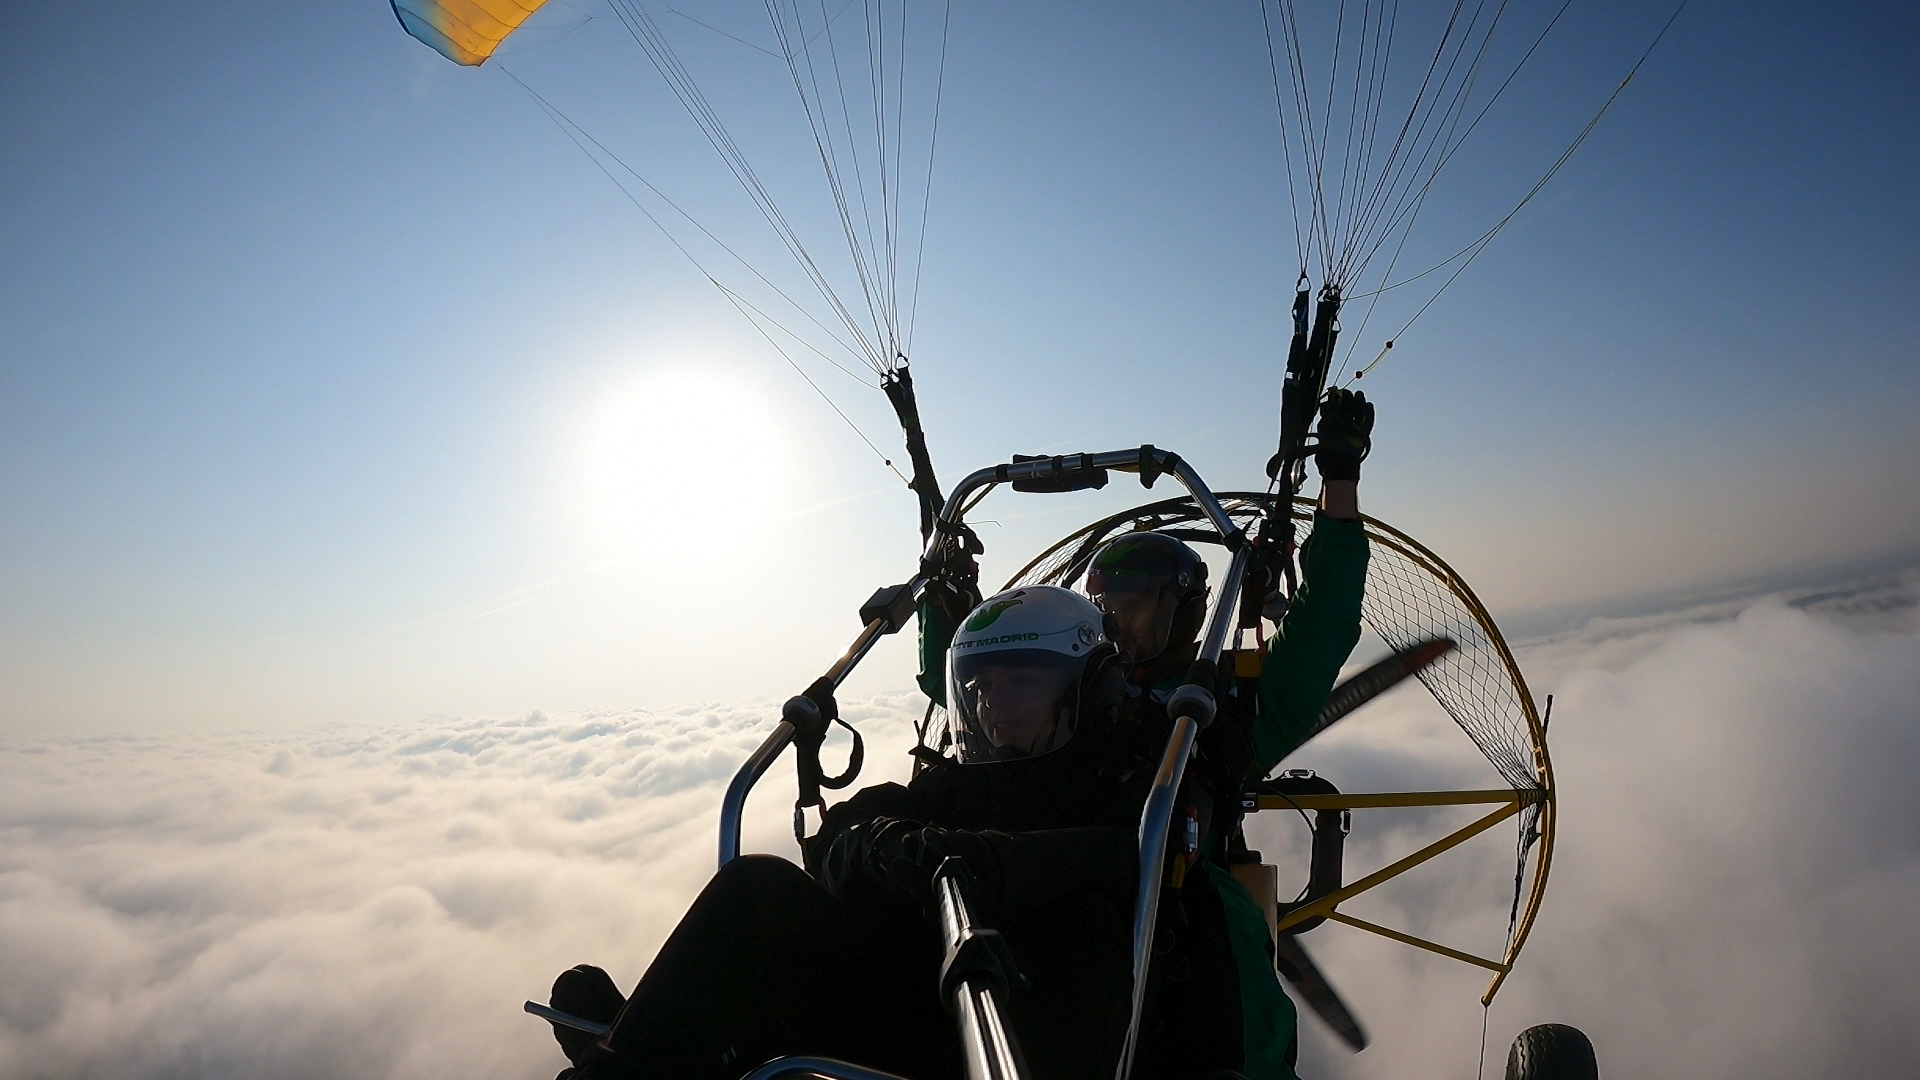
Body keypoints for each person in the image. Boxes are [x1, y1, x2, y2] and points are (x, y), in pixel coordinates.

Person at [547, 587, 1156, 1080]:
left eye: (1019, 681)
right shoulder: (962, 783)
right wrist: (874, 845)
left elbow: (1121, 854)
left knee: (1079, 927)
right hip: (902, 1005)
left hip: (998, 1026)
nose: (992, 703)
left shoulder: (1130, 786)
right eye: (981, 684)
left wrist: (981, 862)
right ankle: (630, 1066)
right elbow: (844, 828)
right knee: (755, 886)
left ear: (1088, 688)